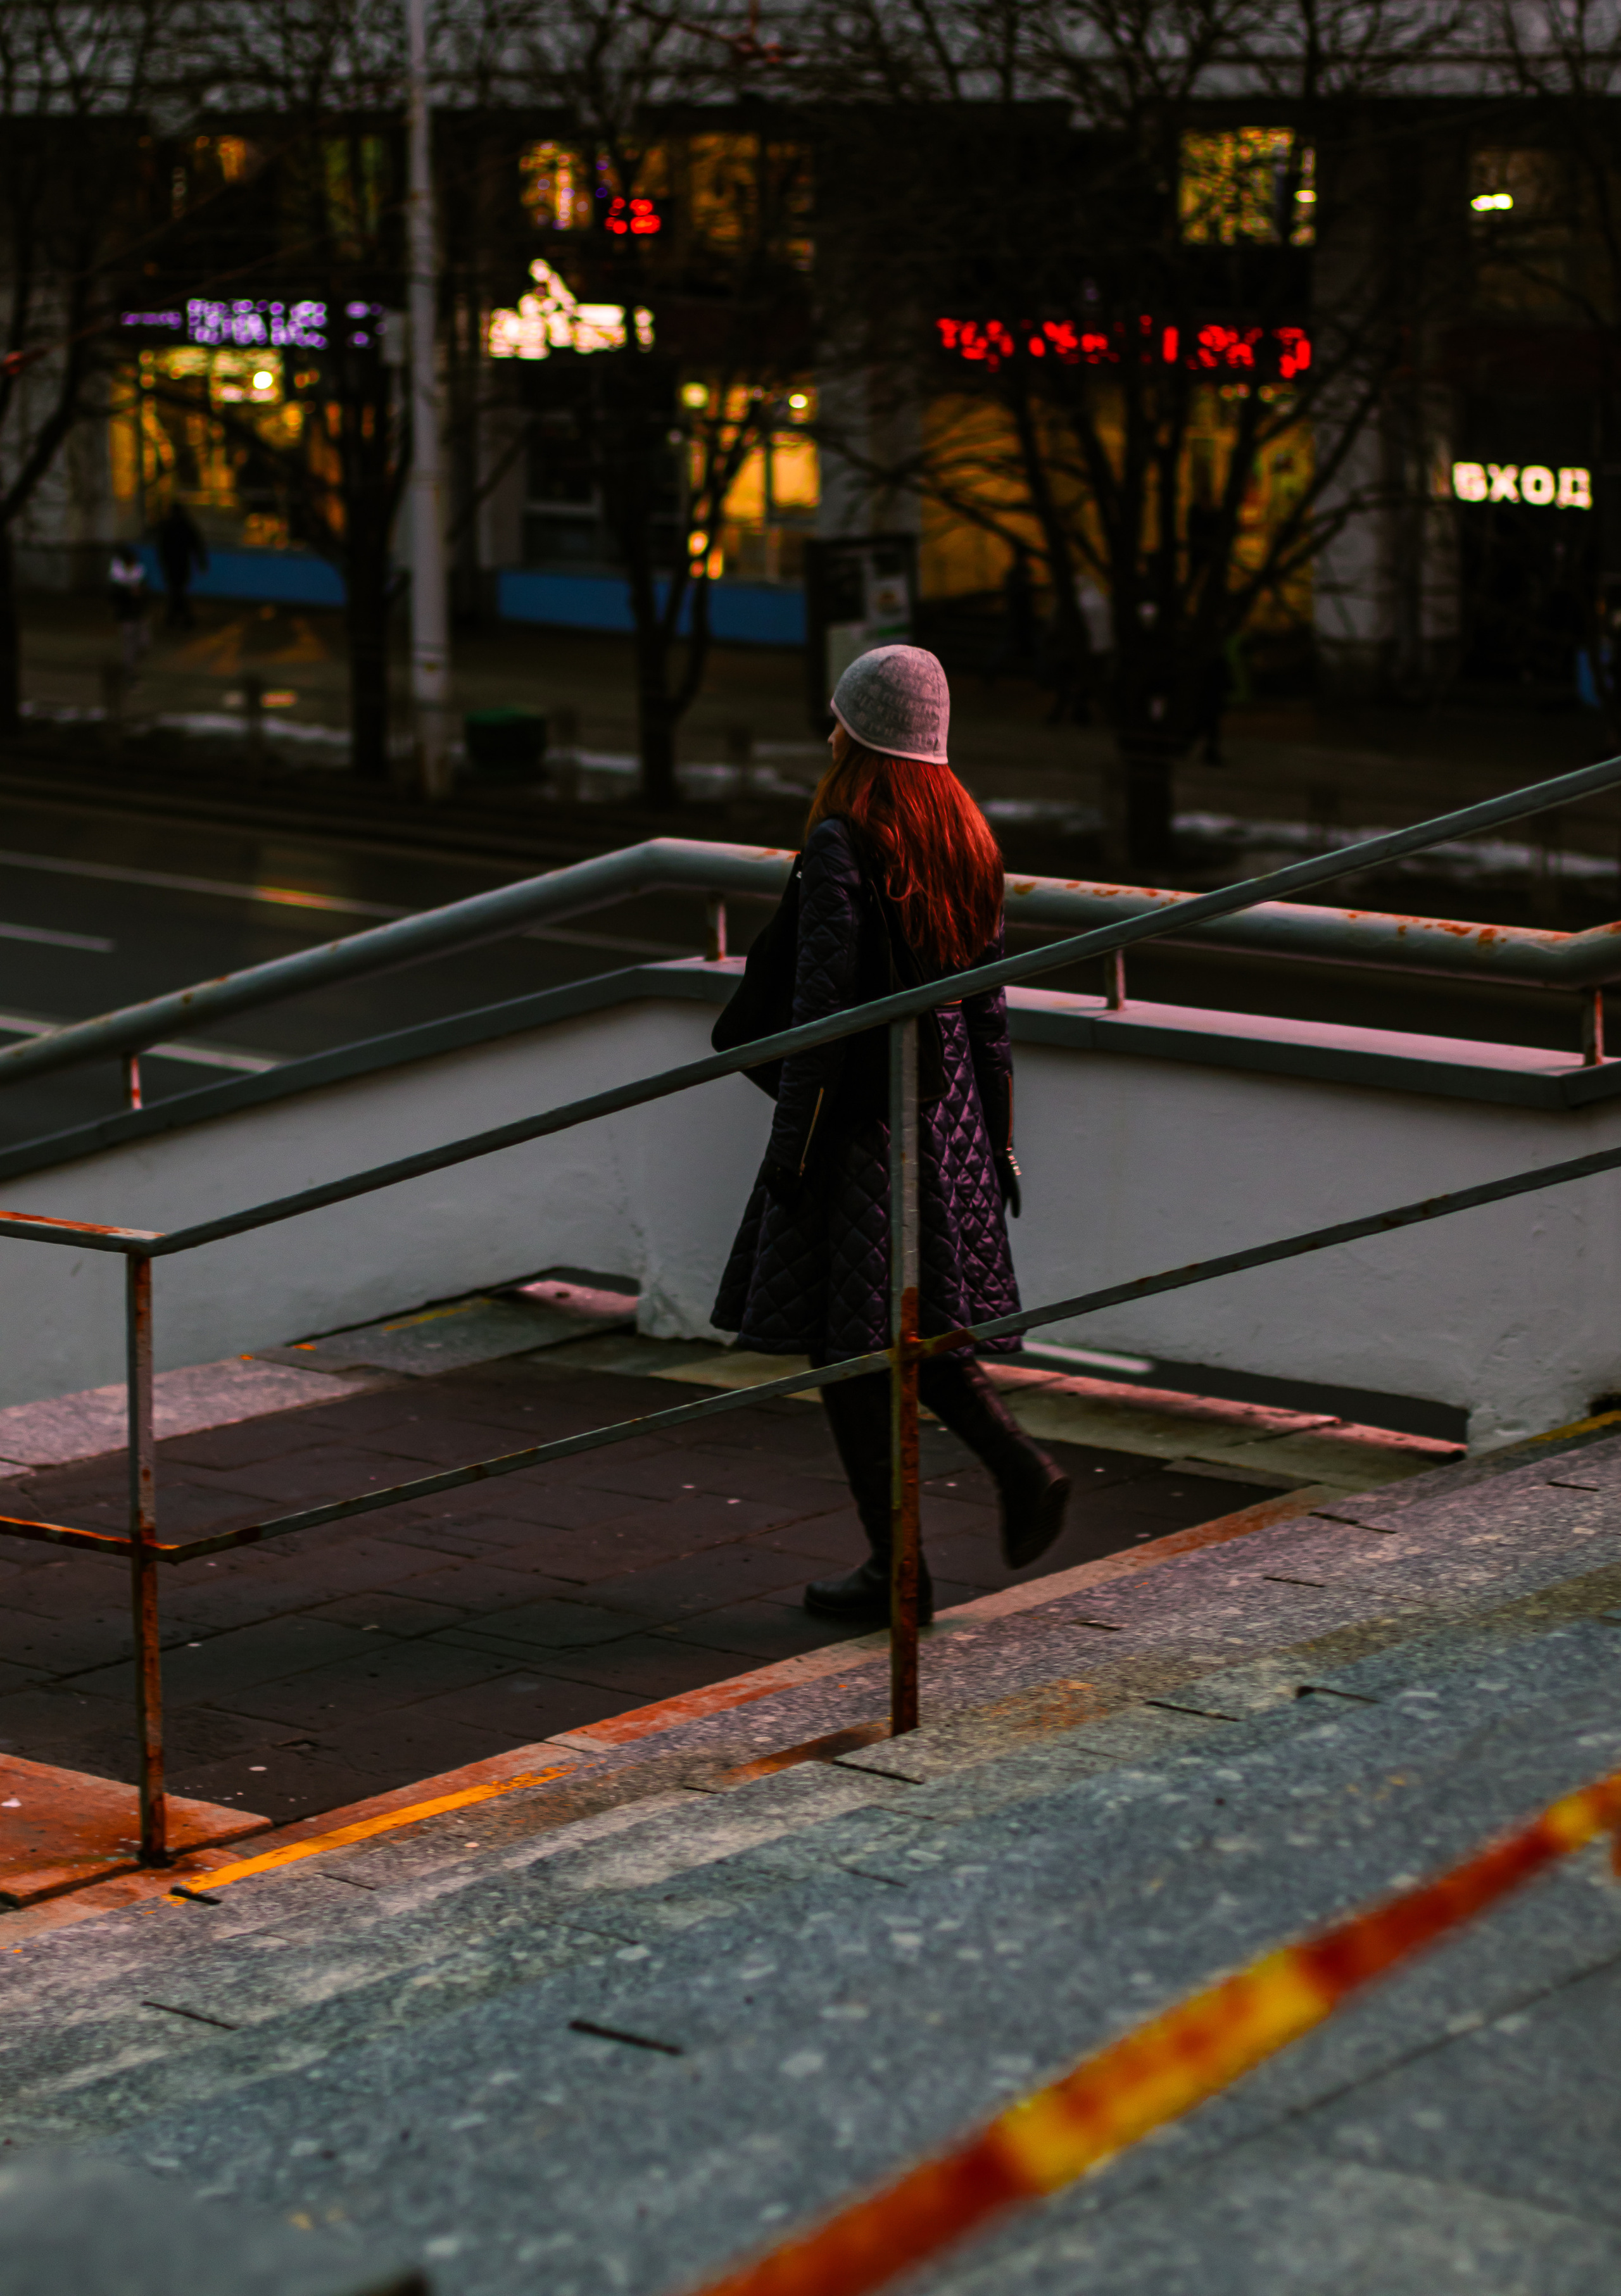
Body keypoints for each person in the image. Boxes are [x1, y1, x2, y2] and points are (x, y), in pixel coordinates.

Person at [712, 643, 1071, 1624]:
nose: (829, 731)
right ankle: (1013, 1475)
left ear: (862, 731)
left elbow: (822, 1007)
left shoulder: (845, 836)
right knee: (901, 1328)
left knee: (851, 1343)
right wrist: (995, 1139)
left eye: (841, 716)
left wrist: (793, 1148)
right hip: (946, 1115)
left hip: (862, 1126)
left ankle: (899, 1570)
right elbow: (988, 1012)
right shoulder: (964, 836)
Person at [155, 499, 208, 630]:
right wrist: (201, 562)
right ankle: (182, 618)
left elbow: (162, 547)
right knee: (178, 591)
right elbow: (196, 545)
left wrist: (163, 562)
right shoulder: (186, 525)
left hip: (173, 564)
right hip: (182, 563)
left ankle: (176, 617)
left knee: (175, 591)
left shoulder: (168, 526)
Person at [108, 544, 150, 674]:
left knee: (144, 642)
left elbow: (146, 590)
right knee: (129, 643)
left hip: (139, 613)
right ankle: (129, 670)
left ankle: (131, 663)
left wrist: (141, 593)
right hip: (126, 614)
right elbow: (112, 596)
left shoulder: (139, 572)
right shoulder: (117, 576)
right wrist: (128, 592)